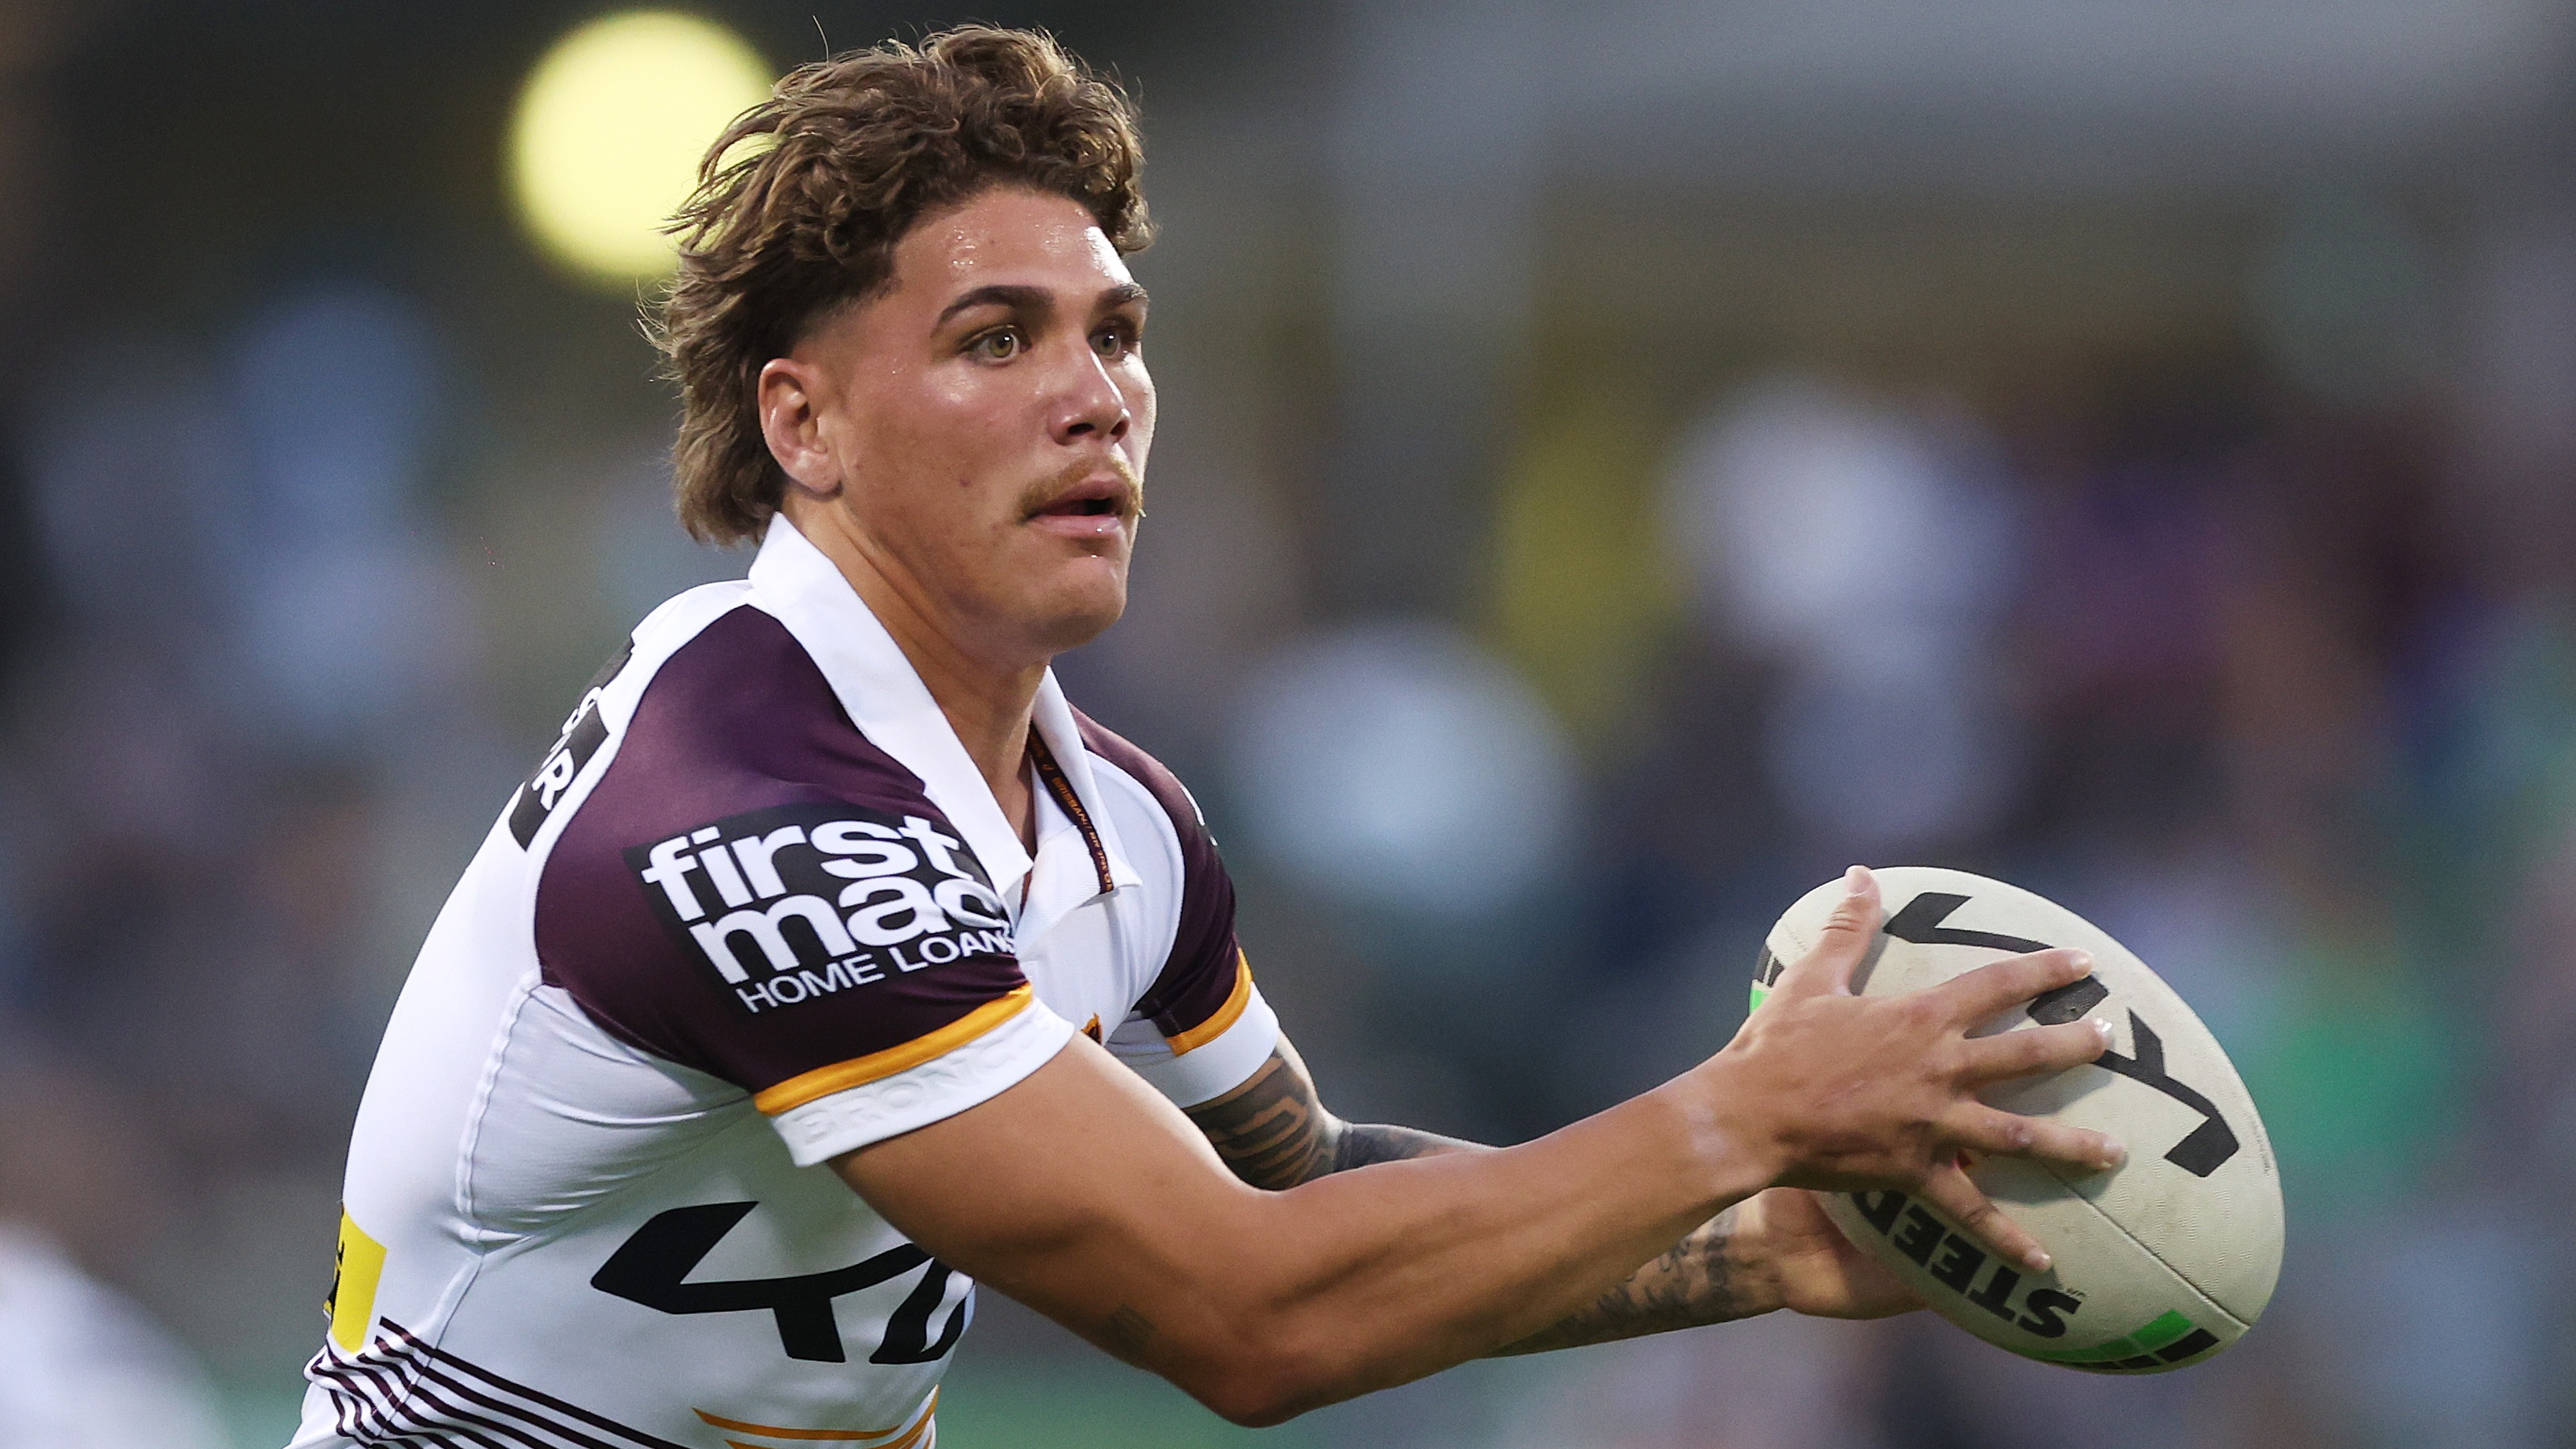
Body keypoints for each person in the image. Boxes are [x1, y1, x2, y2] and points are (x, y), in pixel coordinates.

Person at [288, 26, 2120, 1445]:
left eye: (1118, 332)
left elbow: (1303, 1187)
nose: (1095, 397)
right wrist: (1736, 1113)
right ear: (806, 422)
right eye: (998, 339)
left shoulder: (1128, 833)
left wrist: (1756, 1247)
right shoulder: (750, 823)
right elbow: (1254, 1314)